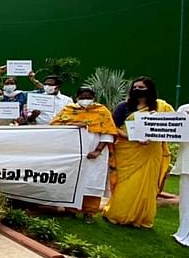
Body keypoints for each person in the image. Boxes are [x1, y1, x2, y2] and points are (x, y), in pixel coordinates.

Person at [103, 77, 174, 228]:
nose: (137, 90)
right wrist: (131, 137)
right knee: (125, 185)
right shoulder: (124, 107)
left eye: (141, 87)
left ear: (150, 89)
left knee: (147, 187)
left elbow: (173, 126)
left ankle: (141, 218)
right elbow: (113, 127)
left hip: (151, 152)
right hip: (128, 151)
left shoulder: (162, 107)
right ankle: (118, 214)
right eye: (135, 87)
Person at [51, 88, 118, 217]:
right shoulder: (69, 110)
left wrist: (98, 151)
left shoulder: (102, 111)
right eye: (82, 97)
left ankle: (89, 211)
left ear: (93, 98)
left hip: (95, 154)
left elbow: (108, 132)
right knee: (72, 180)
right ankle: (70, 209)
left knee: (93, 181)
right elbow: (55, 126)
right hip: (74, 152)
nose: (85, 99)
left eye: (88, 97)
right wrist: (74, 124)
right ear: (77, 98)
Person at [172, 102, 189, 246]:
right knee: (186, 201)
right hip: (187, 162)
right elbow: (174, 134)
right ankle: (184, 231)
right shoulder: (185, 109)